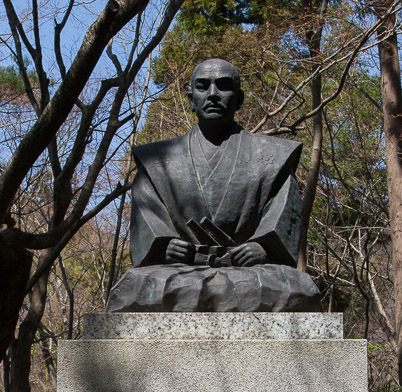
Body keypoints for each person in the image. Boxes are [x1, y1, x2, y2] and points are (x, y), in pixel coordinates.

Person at [106, 58, 321, 312]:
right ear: (190, 99)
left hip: (251, 272)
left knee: (295, 287)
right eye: (202, 86)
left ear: (239, 99)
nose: (213, 95)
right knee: (137, 285)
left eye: (223, 86)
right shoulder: (157, 160)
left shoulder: (273, 157)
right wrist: (164, 246)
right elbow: (147, 217)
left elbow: (282, 215)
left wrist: (262, 247)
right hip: (180, 270)